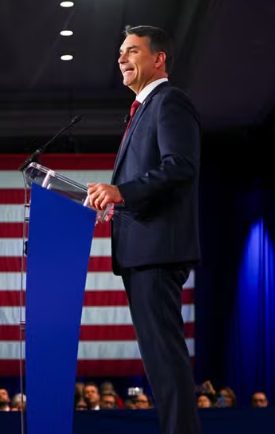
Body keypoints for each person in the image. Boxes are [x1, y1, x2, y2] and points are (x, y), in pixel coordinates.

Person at [87, 25, 202, 434]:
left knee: (166, 360)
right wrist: (118, 203)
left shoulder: (169, 102)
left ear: (158, 58)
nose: (121, 58)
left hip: (157, 251)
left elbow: (180, 167)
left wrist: (121, 192)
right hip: (142, 250)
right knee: (159, 361)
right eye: (120, 51)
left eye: (132, 50)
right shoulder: (141, 109)